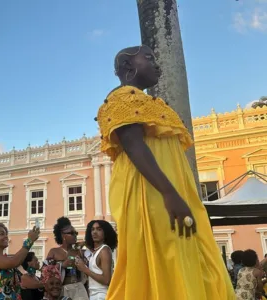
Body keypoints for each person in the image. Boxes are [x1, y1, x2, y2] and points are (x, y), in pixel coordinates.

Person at [97, 44, 235, 299]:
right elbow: (133, 144)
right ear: (128, 66)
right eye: (148, 58)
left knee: (186, 254)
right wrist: (169, 193)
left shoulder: (151, 102)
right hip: (152, 194)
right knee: (166, 255)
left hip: (169, 192)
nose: (156, 63)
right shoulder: (121, 98)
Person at [0, 220, 40, 299]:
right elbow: (14, 261)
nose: (6, 236)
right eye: (2, 234)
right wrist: (29, 240)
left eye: (6, 234)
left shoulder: (4, 259)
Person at [46, 217, 88, 299]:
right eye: (71, 233)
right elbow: (45, 271)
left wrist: (85, 243)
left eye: (76, 233)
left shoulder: (79, 251)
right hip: (62, 290)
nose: (75, 235)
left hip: (79, 289)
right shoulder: (54, 252)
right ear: (62, 235)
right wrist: (62, 265)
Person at [75, 220, 117, 300]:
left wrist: (84, 269)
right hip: (94, 295)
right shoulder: (96, 251)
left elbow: (106, 280)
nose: (94, 232)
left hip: (101, 295)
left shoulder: (104, 250)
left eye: (99, 229)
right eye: (92, 229)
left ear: (105, 233)